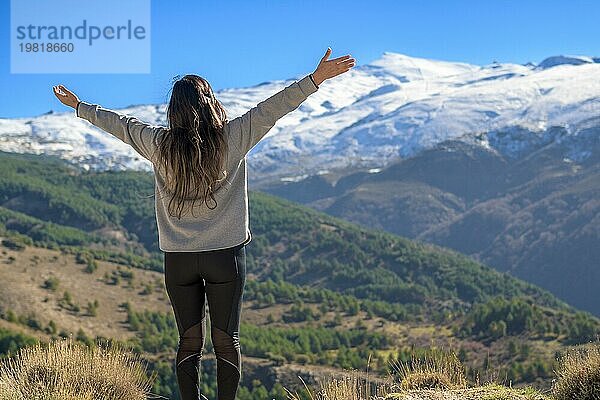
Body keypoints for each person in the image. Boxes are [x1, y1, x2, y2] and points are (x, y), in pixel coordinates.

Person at [52, 47, 355, 400]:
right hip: (225, 257)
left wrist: (79, 107)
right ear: (210, 103)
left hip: (178, 260)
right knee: (227, 341)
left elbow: (121, 125)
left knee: (189, 341)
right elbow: (273, 108)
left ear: (173, 111)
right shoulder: (233, 137)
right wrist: (315, 79)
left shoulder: (159, 144)